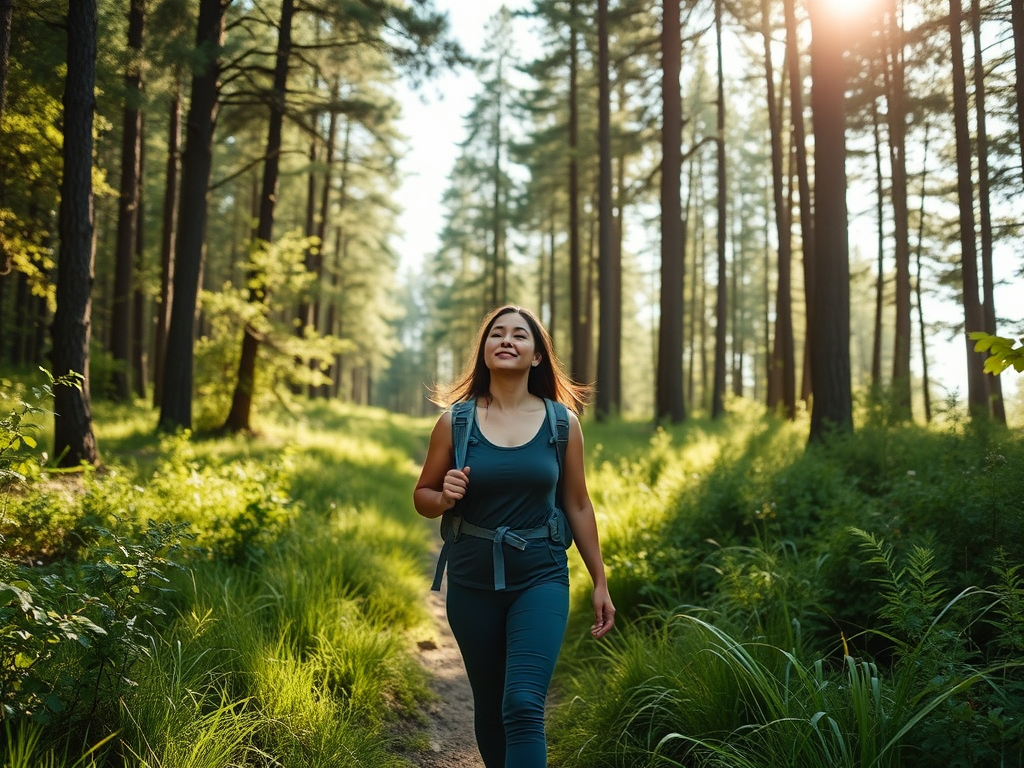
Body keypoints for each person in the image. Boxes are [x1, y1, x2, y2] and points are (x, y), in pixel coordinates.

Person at [413, 304, 615, 768]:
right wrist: (442, 497)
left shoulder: (562, 424)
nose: (506, 340)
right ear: (484, 352)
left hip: (541, 576)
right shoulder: (455, 422)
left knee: (522, 704)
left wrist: (599, 581)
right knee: (490, 708)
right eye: (496, 334)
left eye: (519, 335)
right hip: (471, 581)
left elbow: (579, 505)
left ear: (537, 356)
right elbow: (422, 496)